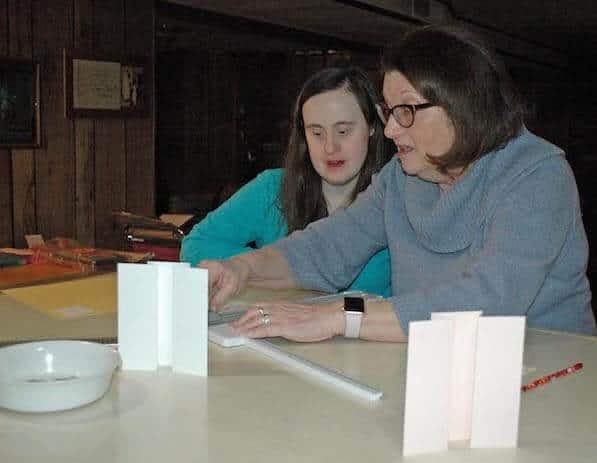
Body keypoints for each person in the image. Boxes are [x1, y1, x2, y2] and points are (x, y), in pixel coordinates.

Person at [201, 25, 595, 342]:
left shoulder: (538, 175)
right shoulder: (403, 178)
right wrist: (244, 268)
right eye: (389, 111)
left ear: (463, 105)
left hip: (549, 374)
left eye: (406, 111)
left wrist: (342, 317)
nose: (390, 129)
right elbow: (329, 246)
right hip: (441, 366)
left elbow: (490, 299)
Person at [181, 66, 393, 296]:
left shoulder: (395, 198)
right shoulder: (273, 189)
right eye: (317, 133)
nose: (330, 147)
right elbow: (195, 246)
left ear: (372, 127)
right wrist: (268, 264)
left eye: (343, 131)